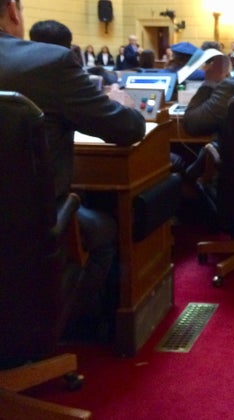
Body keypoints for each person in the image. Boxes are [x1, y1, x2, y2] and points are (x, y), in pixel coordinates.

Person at [0, 5, 146, 339]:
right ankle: (43, 335)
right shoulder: (48, 63)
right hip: (24, 228)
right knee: (104, 232)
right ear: (12, 10)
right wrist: (123, 105)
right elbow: (127, 130)